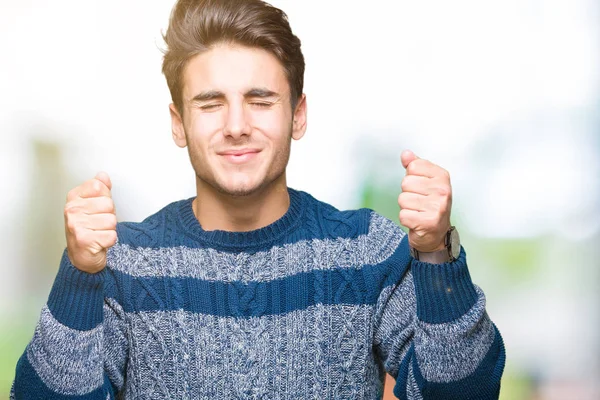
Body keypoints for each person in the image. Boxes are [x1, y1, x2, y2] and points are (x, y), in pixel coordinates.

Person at [11, 0, 505, 398]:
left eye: (260, 100)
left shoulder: (366, 249)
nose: (236, 125)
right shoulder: (125, 263)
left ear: (298, 115)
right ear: (179, 123)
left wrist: (437, 254)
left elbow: (465, 392)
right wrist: (79, 275)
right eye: (210, 103)